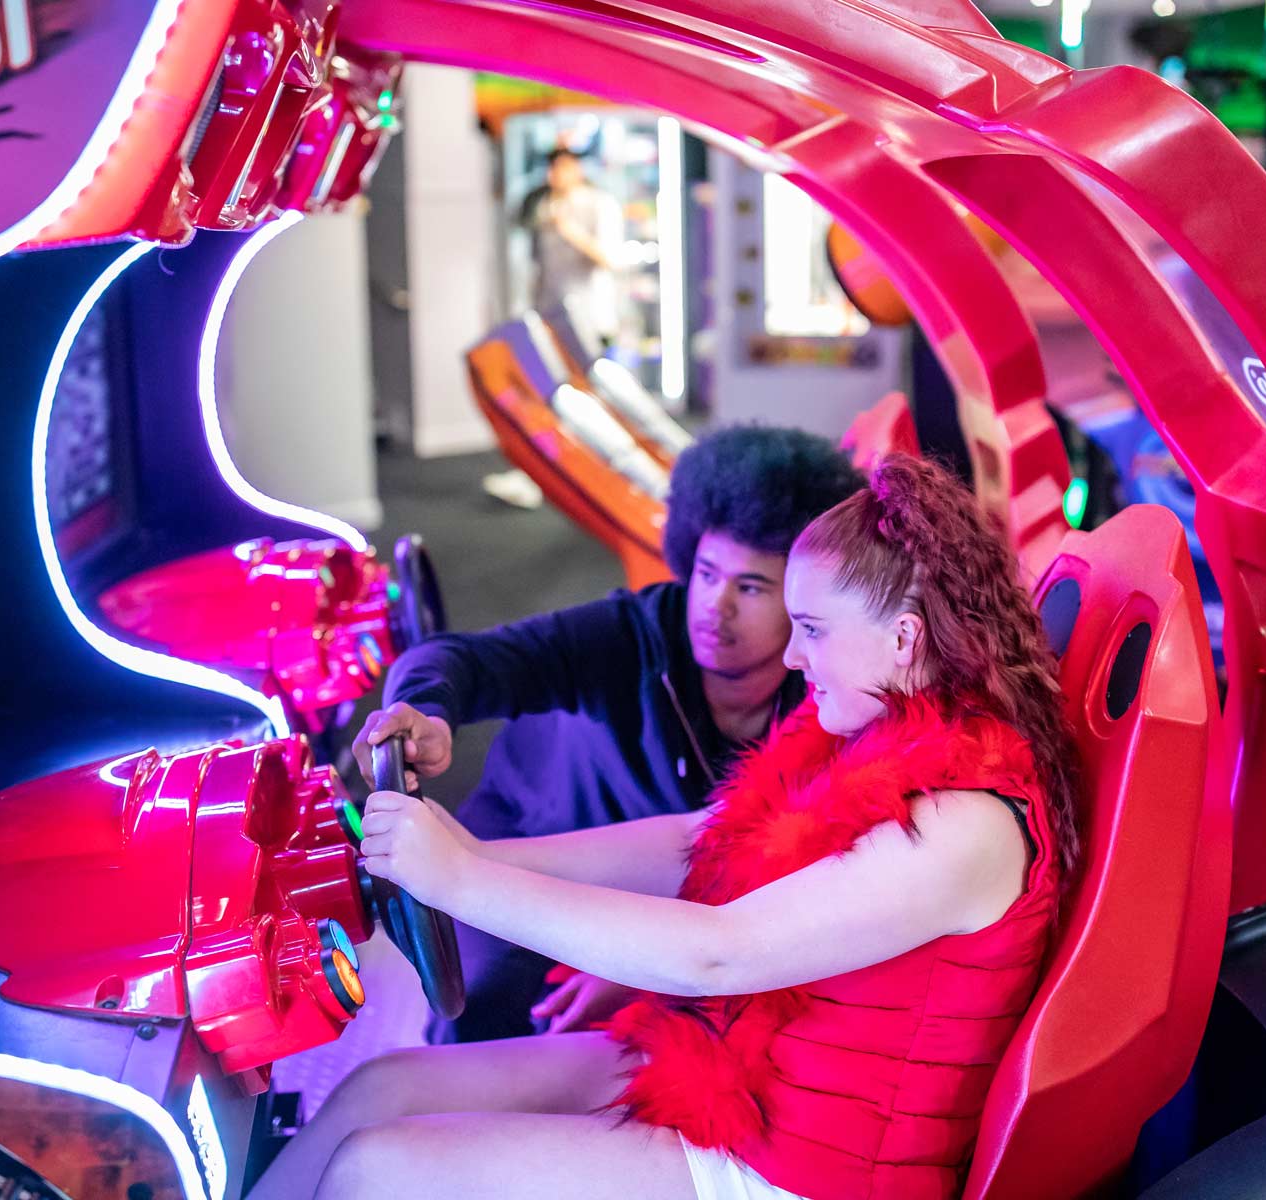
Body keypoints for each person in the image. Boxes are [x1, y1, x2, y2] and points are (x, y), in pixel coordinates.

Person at [259, 455, 1080, 1200]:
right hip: (735, 1081)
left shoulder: (967, 824)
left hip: (802, 1173)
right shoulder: (867, 733)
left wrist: (463, 882)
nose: (793, 658)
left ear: (903, 638)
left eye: (813, 630)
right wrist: (480, 853)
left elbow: (717, 951)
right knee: (383, 1089)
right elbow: (699, 841)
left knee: (378, 1171)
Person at [355, 424, 865, 1042]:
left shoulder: (821, 688)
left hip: (671, 903)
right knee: (487, 1009)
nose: (715, 605)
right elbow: (458, 660)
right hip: (528, 848)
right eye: (706, 574)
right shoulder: (632, 635)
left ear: (803, 599)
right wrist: (425, 712)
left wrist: (636, 972)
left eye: (751, 587)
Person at [524, 148, 623, 339]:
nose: (553, 175)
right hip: (550, 316)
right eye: (551, 169)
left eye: (560, 168)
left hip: (591, 319)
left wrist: (571, 232)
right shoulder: (546, 206)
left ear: (577, 169)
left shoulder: (600, 204)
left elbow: (611, 260)